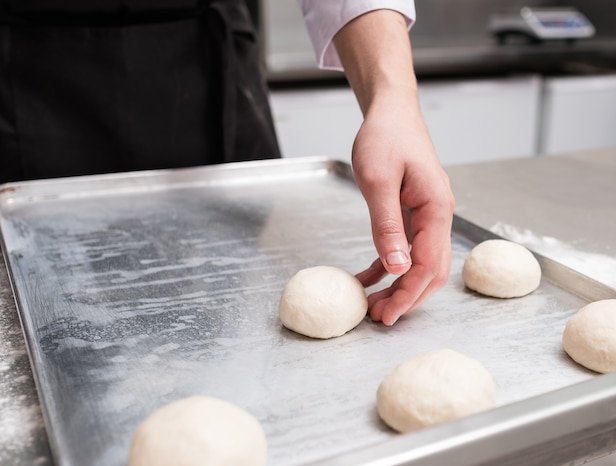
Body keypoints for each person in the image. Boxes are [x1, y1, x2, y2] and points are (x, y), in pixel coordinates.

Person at [0, 0, 454, 326]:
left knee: (237, 302)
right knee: (32, 303)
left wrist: (394, 98)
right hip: (29, 71)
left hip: (204, 53)